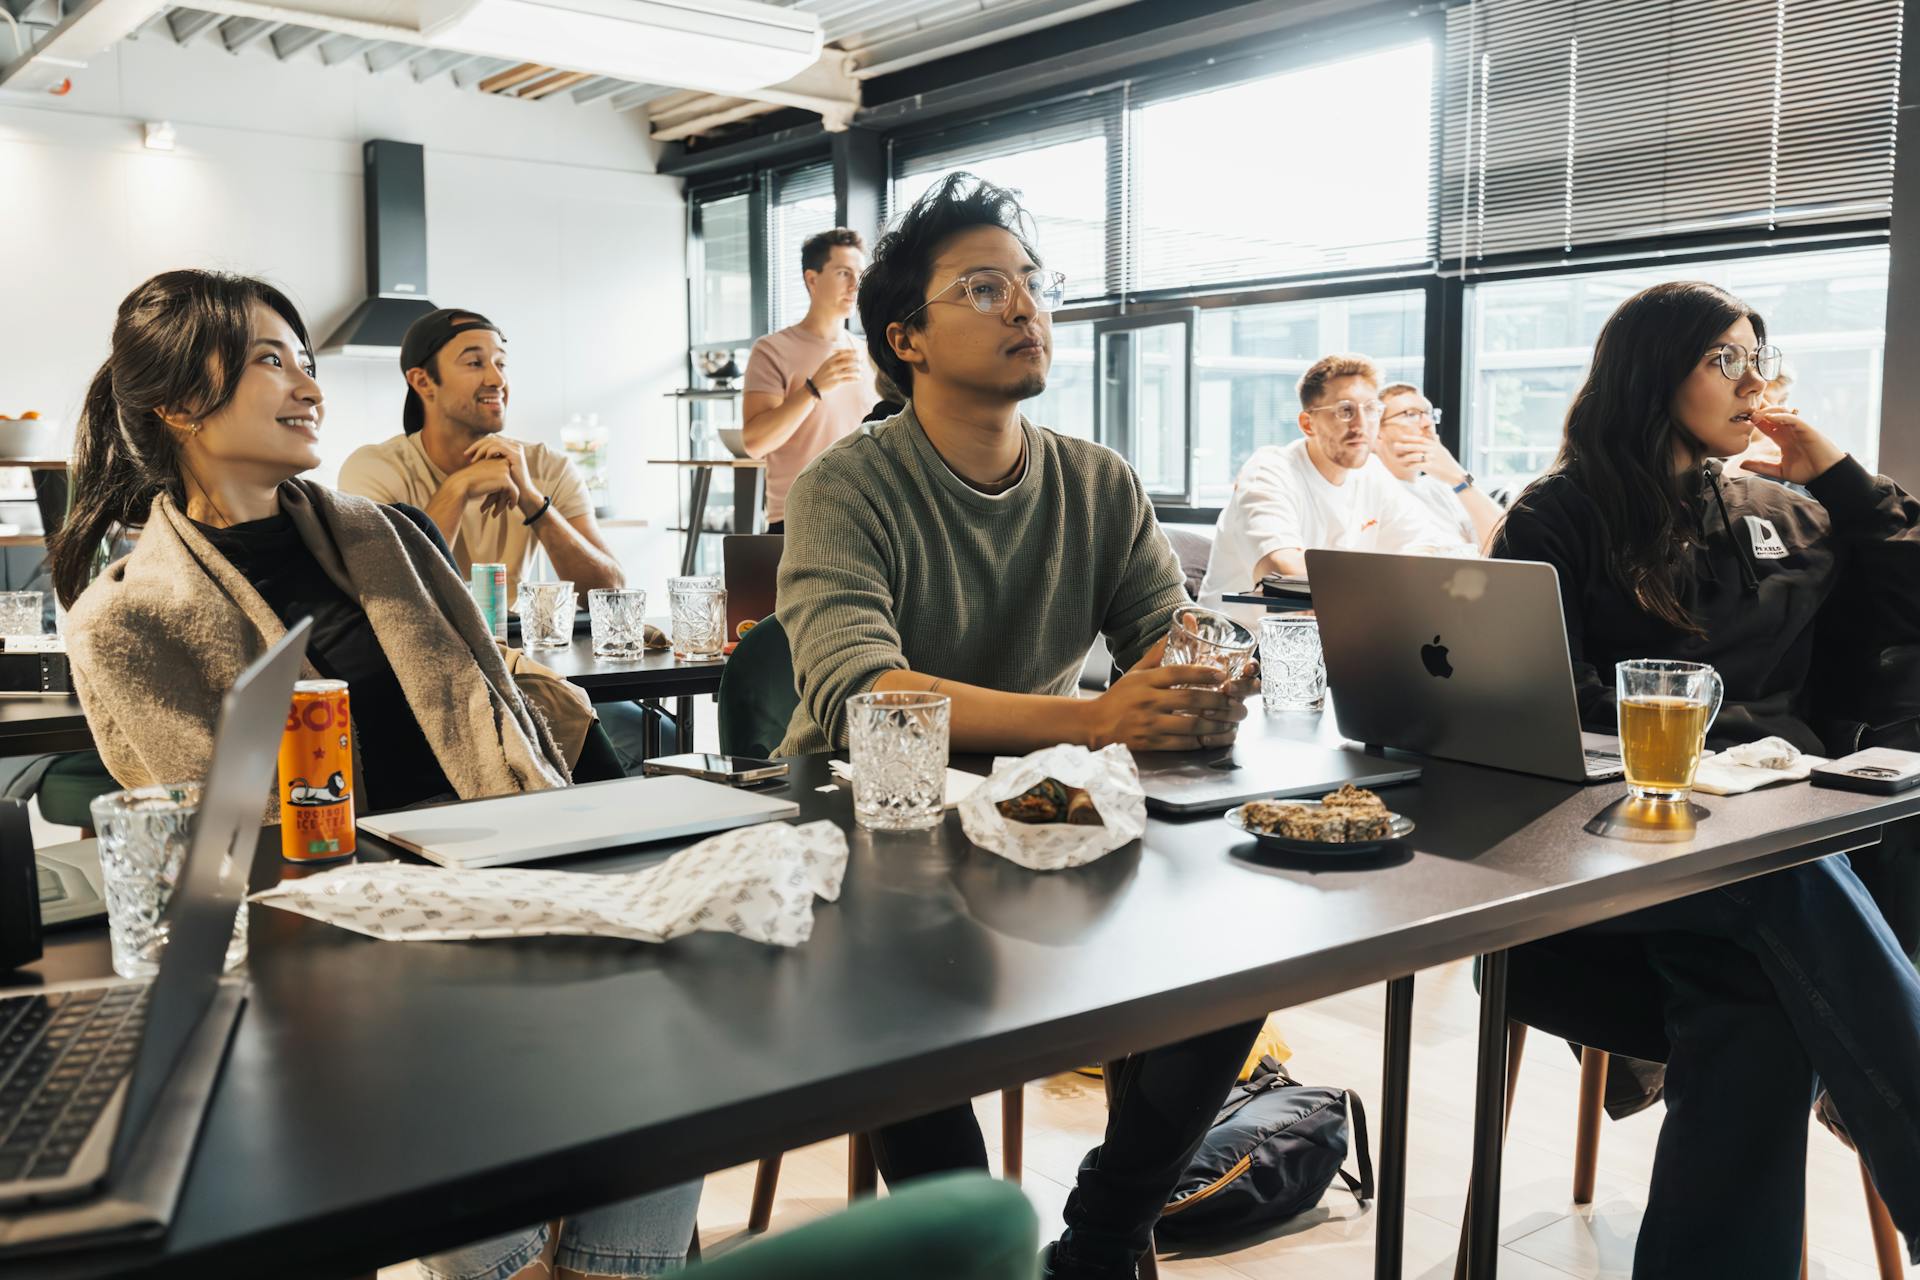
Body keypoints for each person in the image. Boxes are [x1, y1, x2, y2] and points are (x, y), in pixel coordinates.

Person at [50, 269, 698, 1280]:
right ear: (179, 404)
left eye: (306, 360)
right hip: (352, 966)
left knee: (682, 1033)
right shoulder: (126, 619)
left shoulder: (385, 533)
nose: (308, 385)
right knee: (510, 1248)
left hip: (519, 891)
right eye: (271, 360)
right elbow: (209, 855)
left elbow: (497, 694)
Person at [776, 173, 1263, 1280]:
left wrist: (1202, 676)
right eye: (984, 289)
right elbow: (866, 696)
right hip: (860, 828)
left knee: (1241, 944)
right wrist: (1097, 716)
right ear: (905, 337)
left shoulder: (1097, 480)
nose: (1025, 310)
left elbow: (1167, 630)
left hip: (1037, 817)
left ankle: (1104, 1231)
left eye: (1034, 288)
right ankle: (978, 1253)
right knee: (891, 981)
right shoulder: (847, 486)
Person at [1491, 280, 1920, 1277]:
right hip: (1606, 854)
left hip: (1772, 853)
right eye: (1723, 358)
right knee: (1790, 871)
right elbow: (1541, 702)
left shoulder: (1790, 513)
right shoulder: (1558, 517)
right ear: (1653, 371)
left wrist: (1844, 474)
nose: (1753, 380)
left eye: (1758, 358)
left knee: (1757, 996)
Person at [337, 308, 623, 602]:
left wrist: (532, 500)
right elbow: (393, 597)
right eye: (475, 363)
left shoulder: (546, 466)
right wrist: (458, 487)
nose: (497, 379)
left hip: (514, 647)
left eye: (501, 363)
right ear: (423, 382)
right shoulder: (373, 469)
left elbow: (611, 594)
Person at [1196, 354, 1472, 624]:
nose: (1362, 425)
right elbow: (1284, 572)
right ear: (1308, 424)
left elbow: (1426, 550)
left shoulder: (1372, 474)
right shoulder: (1269, 471)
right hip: (1239, 650)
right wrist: (1390, 581)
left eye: (1371, 410)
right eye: (1345, 411)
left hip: (1329, 642)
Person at [741, 227, 877, 534]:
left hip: (863, 518)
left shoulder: (869, 353)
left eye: (859, 273)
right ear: (812, 279)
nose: (855, 285)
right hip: (797, 518)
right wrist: (813, 389)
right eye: (843, 273)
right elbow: (755, 442)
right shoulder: (772, 350)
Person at [1371, 382, 1502, 548]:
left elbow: (1506, 547)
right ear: (1376, 432)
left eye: (1429, 414)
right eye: (1411, 414)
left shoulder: (1441, 489)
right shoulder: (1374, 491)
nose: (1428, 423)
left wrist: (1458, 477)